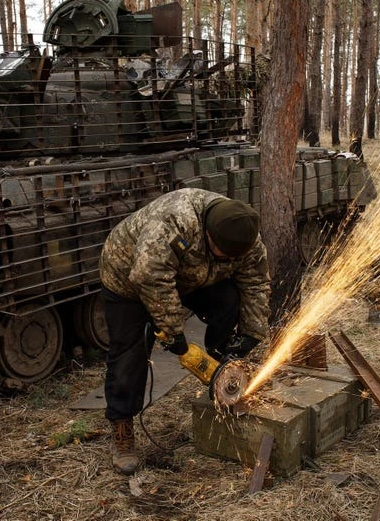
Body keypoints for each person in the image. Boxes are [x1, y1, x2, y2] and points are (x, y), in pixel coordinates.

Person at [98, 188, 270, 474]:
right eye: (222, 254)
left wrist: (251, 333)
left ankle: (222, 367)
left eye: (232, 258)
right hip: (129, 279)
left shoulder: (245, 235)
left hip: (186, 276)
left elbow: (256, 282)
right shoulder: (173, 221)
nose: (228, 259)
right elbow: (148, 276)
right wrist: (173, 333)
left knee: (229, 298)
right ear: (207, 235)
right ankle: (122, 429)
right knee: (129, 354)